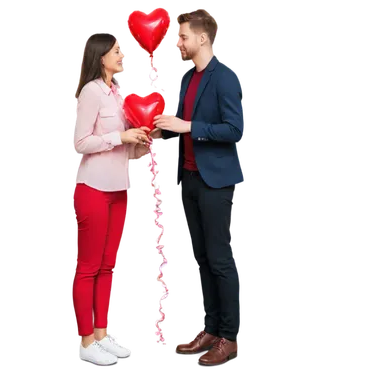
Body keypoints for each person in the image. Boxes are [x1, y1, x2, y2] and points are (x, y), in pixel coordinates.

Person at [152, 8, 245, 367]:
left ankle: (230, 337)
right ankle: (209, 329)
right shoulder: (188, 78)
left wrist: (187, 126)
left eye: (183, 37)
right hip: (189, 179)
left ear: (203, 38)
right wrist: (164, 132)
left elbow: (234, 130)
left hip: (216, 183)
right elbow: (182, 128)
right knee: (202, 259)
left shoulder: (224, 78)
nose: (178, 43)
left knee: (221, 261)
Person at [70, 31, 160, 367]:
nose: (123, 54)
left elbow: (124, 150)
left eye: (123, 49)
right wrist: (118, 135)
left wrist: (140, 141)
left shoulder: (117, 94)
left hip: (119, 191)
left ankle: (102, 335)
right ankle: (85, 340)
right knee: (88, 268)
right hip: (92, 190)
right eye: (117, 50)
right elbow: (80, 143)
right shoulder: (92, 92)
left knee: (108, 267)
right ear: (100, 55)